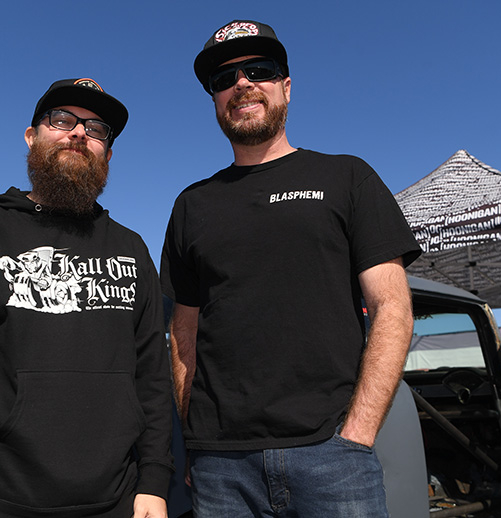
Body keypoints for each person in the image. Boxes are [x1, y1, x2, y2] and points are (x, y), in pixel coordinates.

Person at [160, 20, 422, 517]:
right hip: (221, 467)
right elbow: (183, 333)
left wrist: (357, 435)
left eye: (258, 70)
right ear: (215, 99)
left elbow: (392, 307)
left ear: (285, 86)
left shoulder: (347, 177)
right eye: (224, 79)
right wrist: (195, 439)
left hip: (332, 458)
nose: (242, 84)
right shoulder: (191, 205)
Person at [0, 78, 173, 518]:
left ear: (107, 154)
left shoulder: (131, 248)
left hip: (119, 501)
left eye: (97, 129)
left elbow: (153, 378)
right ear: (32, 136)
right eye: (62, 119)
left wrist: (155, 482)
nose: (79, 133)